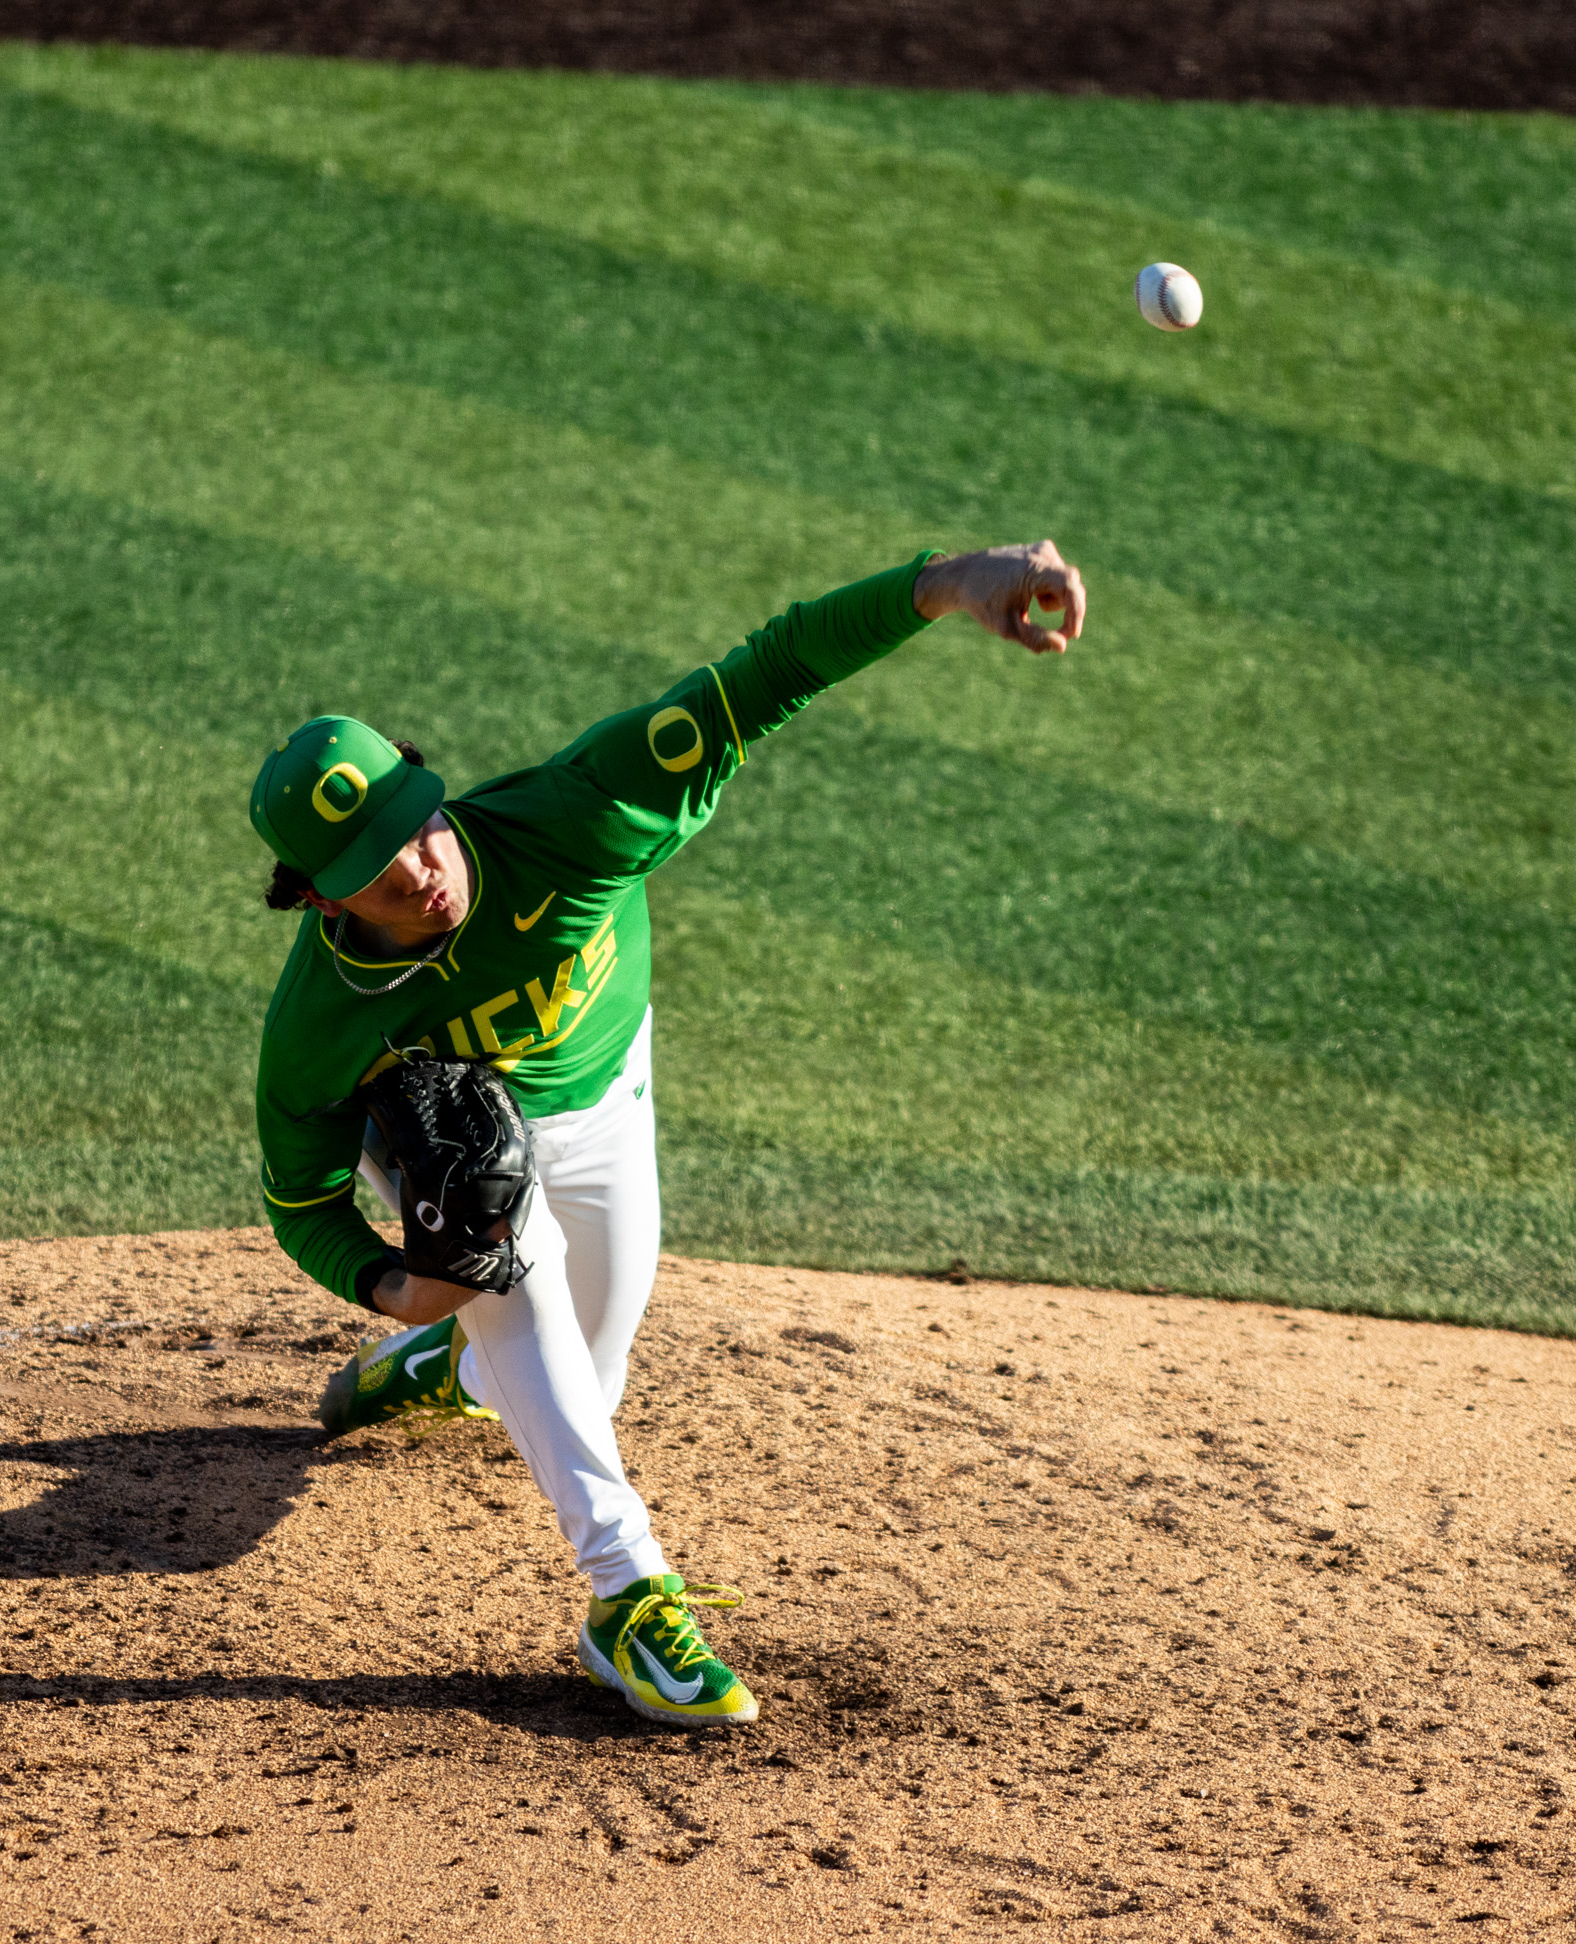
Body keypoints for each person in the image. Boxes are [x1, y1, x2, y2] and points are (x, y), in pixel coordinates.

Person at [251, 541, 1086, 1728]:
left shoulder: (580, 810)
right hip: (458, 1156)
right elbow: (299, 1198)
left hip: (607, 1096)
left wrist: (950, 584)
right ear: (322, 897)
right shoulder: (317, 1029)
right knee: (512, 1266)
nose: (421, 875)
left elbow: (769, 670)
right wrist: (388, 1281)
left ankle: (457, 1365)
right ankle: (625, 1597)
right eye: (379, 875)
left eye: (419, 833)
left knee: (584, 1372)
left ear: (431, 793)